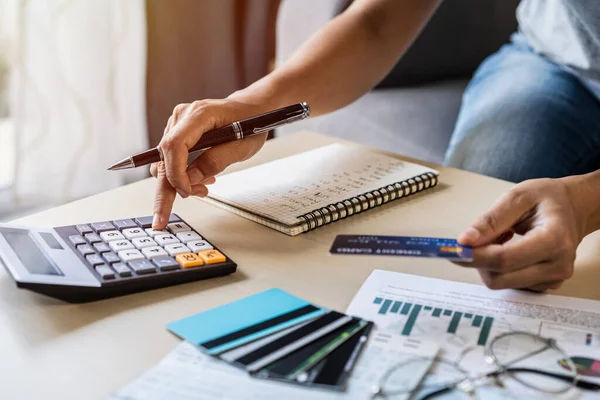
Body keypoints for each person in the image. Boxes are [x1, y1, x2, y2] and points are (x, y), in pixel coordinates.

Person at [150, 0, 600, 292]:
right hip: (556, 61)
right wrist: (254, 106)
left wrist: (585, 203)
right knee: (486, 229)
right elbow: (378, 21)